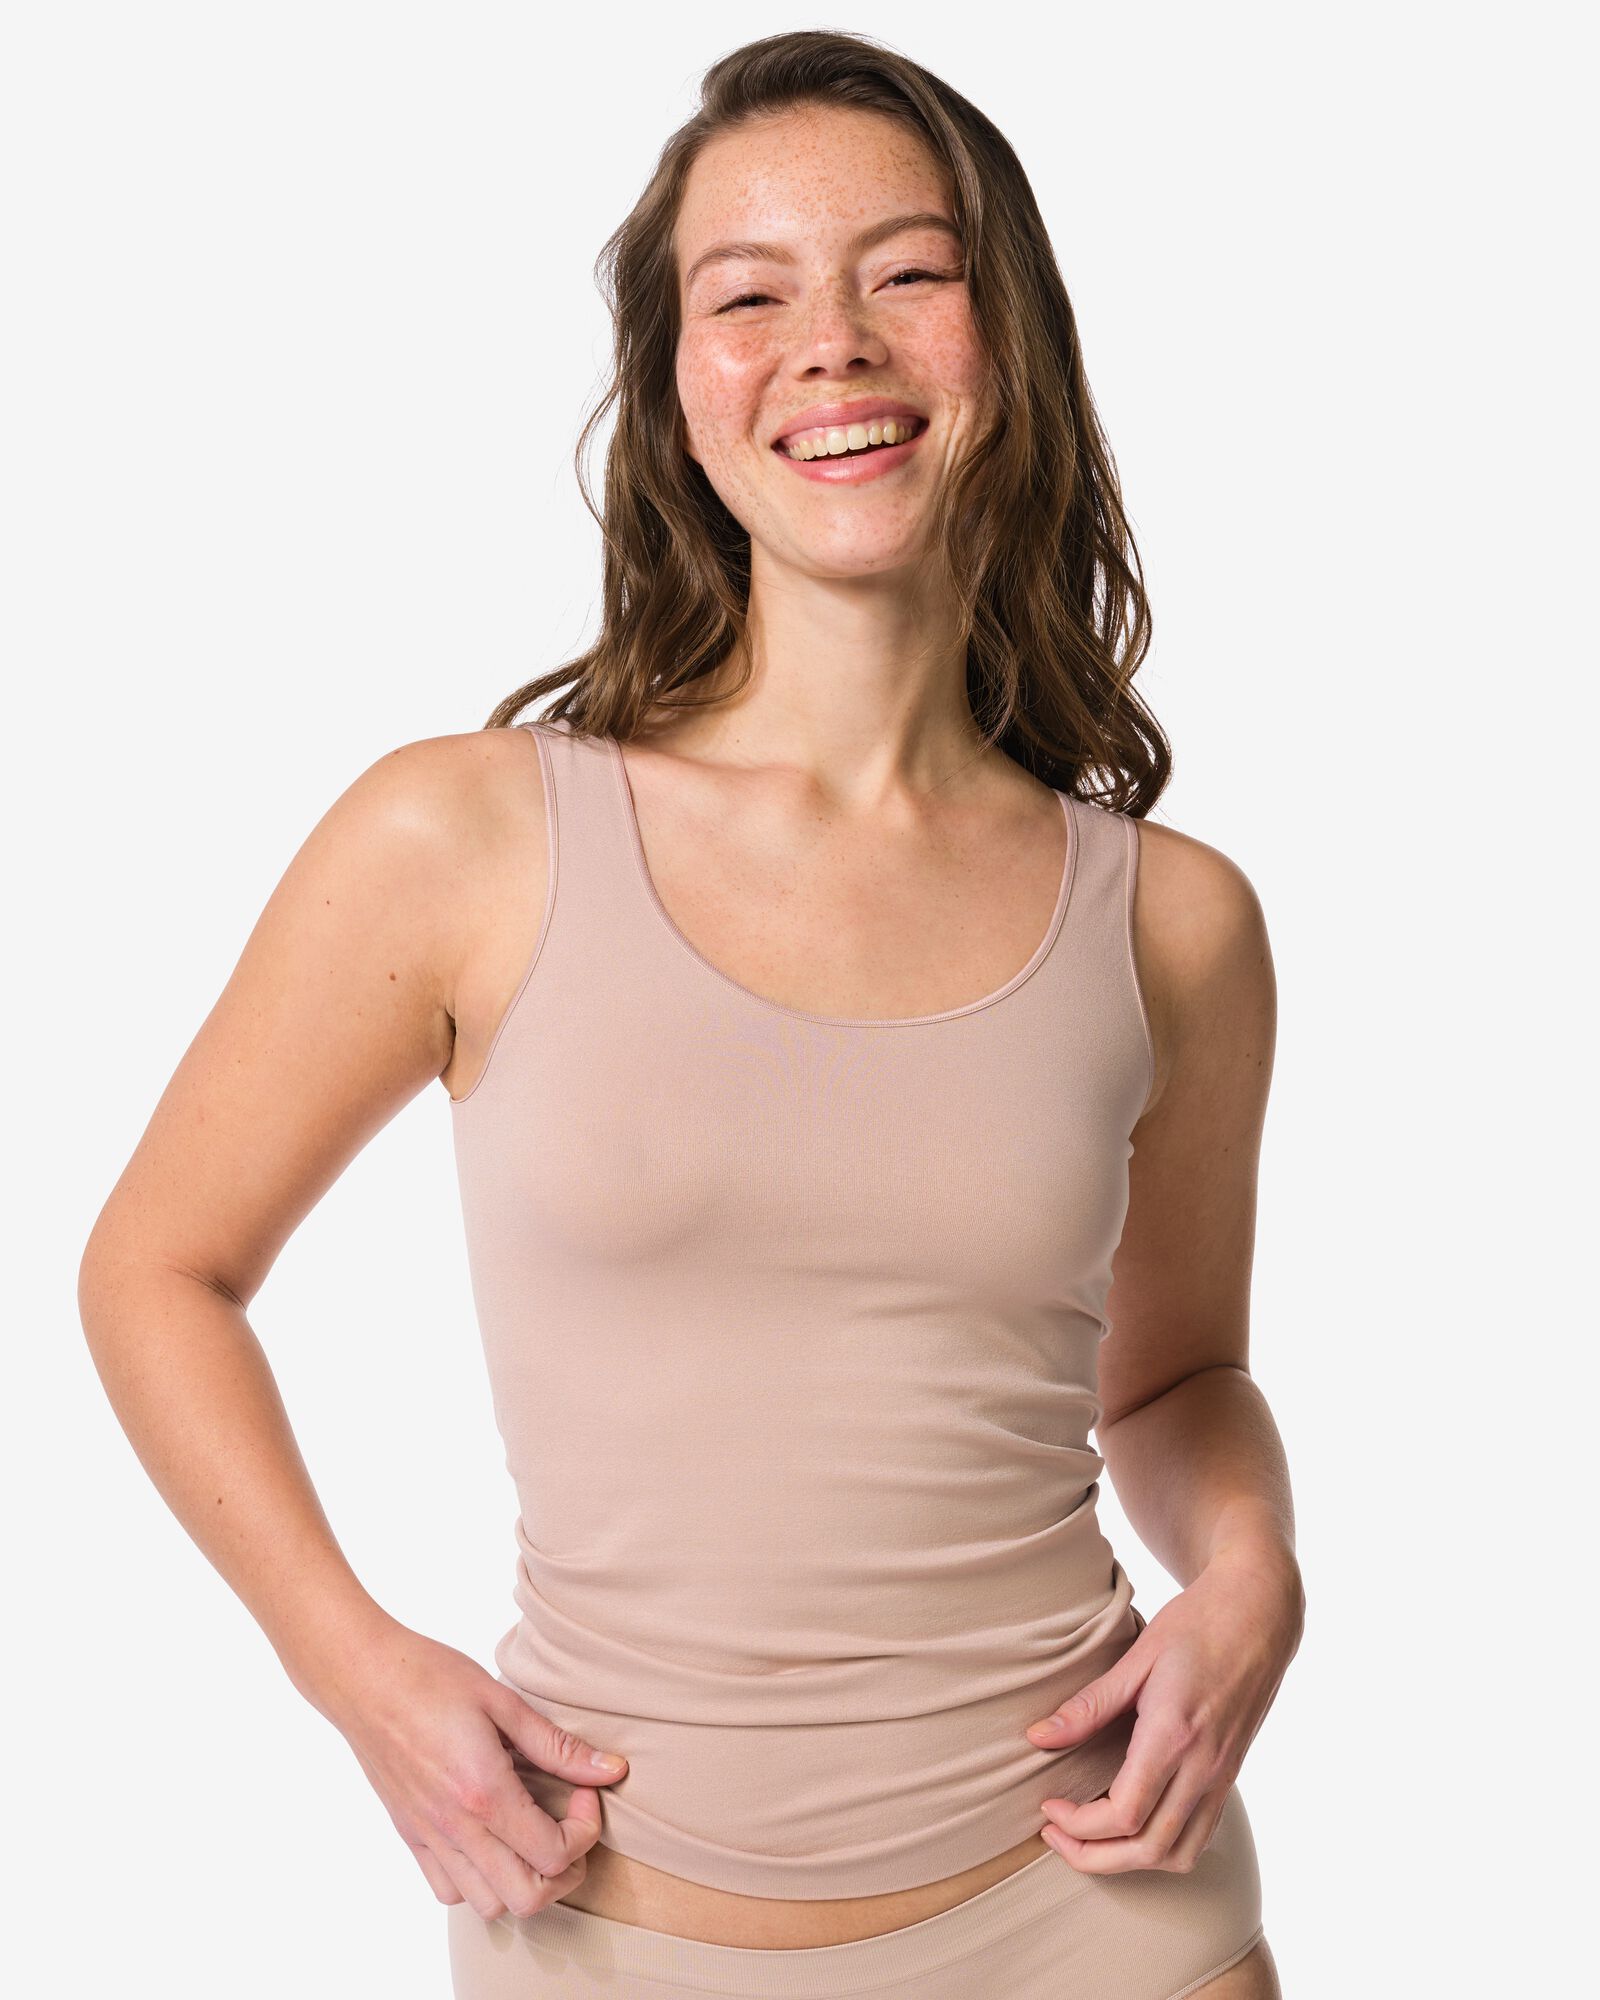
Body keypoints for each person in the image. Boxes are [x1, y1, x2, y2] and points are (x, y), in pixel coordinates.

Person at [78, 28, 1303, 2000]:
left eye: (909, 272)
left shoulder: (1173, 921)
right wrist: (350, 1668)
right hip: (611, 1931)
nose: (832, 345)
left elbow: (1171, 1386)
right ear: (676, 391)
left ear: (1012, 342)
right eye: (748, 297)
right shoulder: (464, 837)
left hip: (1105, 1914)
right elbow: (158, 1269)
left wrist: (1250, 1573)